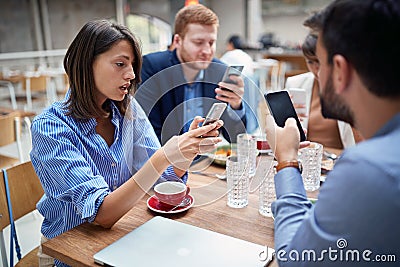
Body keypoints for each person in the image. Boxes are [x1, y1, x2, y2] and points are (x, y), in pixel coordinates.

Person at [30, 20, 222, 267]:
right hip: (68, 254)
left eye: (132, 65)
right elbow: (102, 215)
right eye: (120, 64)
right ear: (87, 63)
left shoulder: (127, 109)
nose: (131, 75)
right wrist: (163, 156)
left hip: (118, 239)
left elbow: (163, 184)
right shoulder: (50, 127)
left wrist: (185, 153)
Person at [266, 0, 400, 266]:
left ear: (339, 69)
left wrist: (287, 161)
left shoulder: (369, 170)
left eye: (321, 63)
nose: (315, 73)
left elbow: (295, 259)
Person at [135, 4, 257, 145]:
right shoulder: (153, 67)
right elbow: (147, 135)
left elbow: (235, 139)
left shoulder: (220, 72)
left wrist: (236, 105)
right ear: (177, 41)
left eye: (211, 43)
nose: (207, 50)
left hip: (202, 160)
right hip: (163, 161)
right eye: (198, 43)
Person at [285, 33, 360, 149]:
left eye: (319, 61)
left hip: (340, 160)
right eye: (310, 62)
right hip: (308, 159)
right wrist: (286, 119)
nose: (316, 68)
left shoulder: (350, 88)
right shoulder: (296, 84)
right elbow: (279, 133)